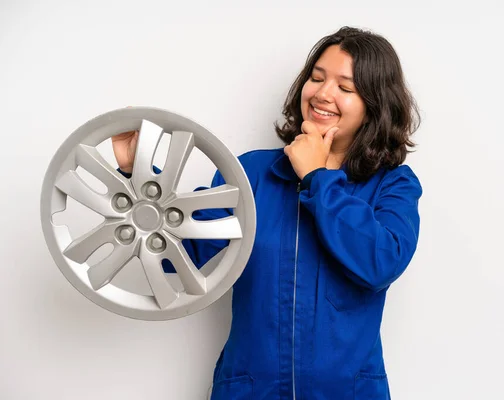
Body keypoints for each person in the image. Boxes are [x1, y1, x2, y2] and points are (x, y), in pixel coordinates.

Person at [112, 26, 422, 400]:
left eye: (345, 87)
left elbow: (380, 264)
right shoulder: (252, 175)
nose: (322, 94)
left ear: (374, 103)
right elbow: (183, 257)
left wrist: (317, 179)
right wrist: (137, 172)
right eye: (317, 77)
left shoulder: (394, 185)